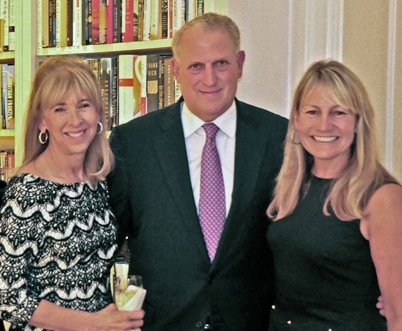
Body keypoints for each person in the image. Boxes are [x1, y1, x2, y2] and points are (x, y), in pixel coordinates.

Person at [107, 13, 288, 331]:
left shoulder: (279, 138)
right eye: (196, 66)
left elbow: (302, 238)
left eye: (221, 64)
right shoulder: (132, 143)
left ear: (240, 64)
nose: (210, 79)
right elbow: (105, 241)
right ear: (176, 70)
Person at [266, 59, 402, 330]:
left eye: (339, 113)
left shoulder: (383, 198)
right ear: (296, 119)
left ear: (359, 121)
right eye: (313, 112)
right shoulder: (290, 188)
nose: (324, 126)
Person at [0, 57, 144, 331]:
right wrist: (95, 324)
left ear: (99, 114)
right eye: (60, 109)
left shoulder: (97, 180)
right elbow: (9, 298)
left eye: (84, 105)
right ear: (42, 120)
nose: (75, 120)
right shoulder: (27, 192)